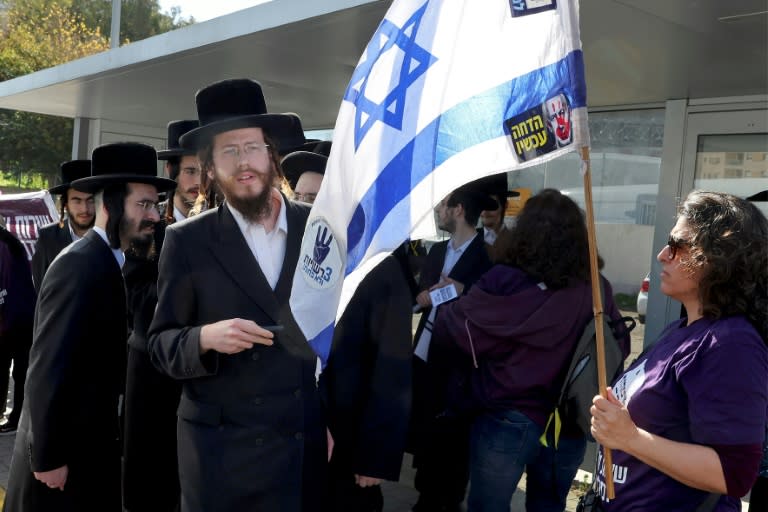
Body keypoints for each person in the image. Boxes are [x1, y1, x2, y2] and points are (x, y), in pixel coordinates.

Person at [147, 78, 326, 512]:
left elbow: (342, 333)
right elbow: (159, 344)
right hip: (221, 459)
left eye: (251, 147)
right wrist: (205, 338)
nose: (242, 162)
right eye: (228, 151)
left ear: (271, 153)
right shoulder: (186, 240)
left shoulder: (318, 227)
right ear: (209, 167)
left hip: (298, 449)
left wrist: (333, 421)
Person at [430, 189, 629, 512]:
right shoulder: (596, 287)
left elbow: (455, 329)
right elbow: (617, 345)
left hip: (506, 415)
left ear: (526, 231)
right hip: (569, 421)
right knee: (549, 506)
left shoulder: (504, 279)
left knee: (487, 507)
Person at [3, 142, 175, 512]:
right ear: (110, 207)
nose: (155, 216)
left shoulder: (110, 261)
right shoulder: (79, 266)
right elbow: (46, 367)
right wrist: (48, 456)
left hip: (86, 455)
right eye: (143, 204)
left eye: (156, 205)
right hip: (59, 466)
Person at [590, 190, 768, 511]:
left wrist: (629, 438)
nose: (662, 255)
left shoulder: (730, 343)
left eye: (677, 245)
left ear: (718, 256)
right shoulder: (682, 329)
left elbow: (734, 474)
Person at [410, 183, 495, 512]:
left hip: (460, 364)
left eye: (444, 204)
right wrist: (421, 297)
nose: (438, 210)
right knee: (426, 434)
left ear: (459, 210)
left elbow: (493, 306)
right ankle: (425, 495)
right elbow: (422, 295)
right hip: (424, 356)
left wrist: (464, 289)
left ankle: (446, 501)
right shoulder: (435, 252)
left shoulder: (486, 257)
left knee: (452, 441)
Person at [31, 159, 94, 291]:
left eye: (91, 201)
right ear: (66, 204)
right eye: (77, 201)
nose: (85, 209)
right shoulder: (48, 238)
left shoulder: (111, 238)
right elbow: (39, 292)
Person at [0, 225, 35, 436]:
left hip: (15, 318)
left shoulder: (4, 244)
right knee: (15, 370)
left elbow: (4, 285)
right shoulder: (7, 240)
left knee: (20, 372)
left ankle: (17, 418)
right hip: (16, 316)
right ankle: (14, 416)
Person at [157, 119, 201, 223]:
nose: (199, 182)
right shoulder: (152, 222)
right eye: (190, 171)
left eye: (205, 172)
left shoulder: (222, 223)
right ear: (170, 169)